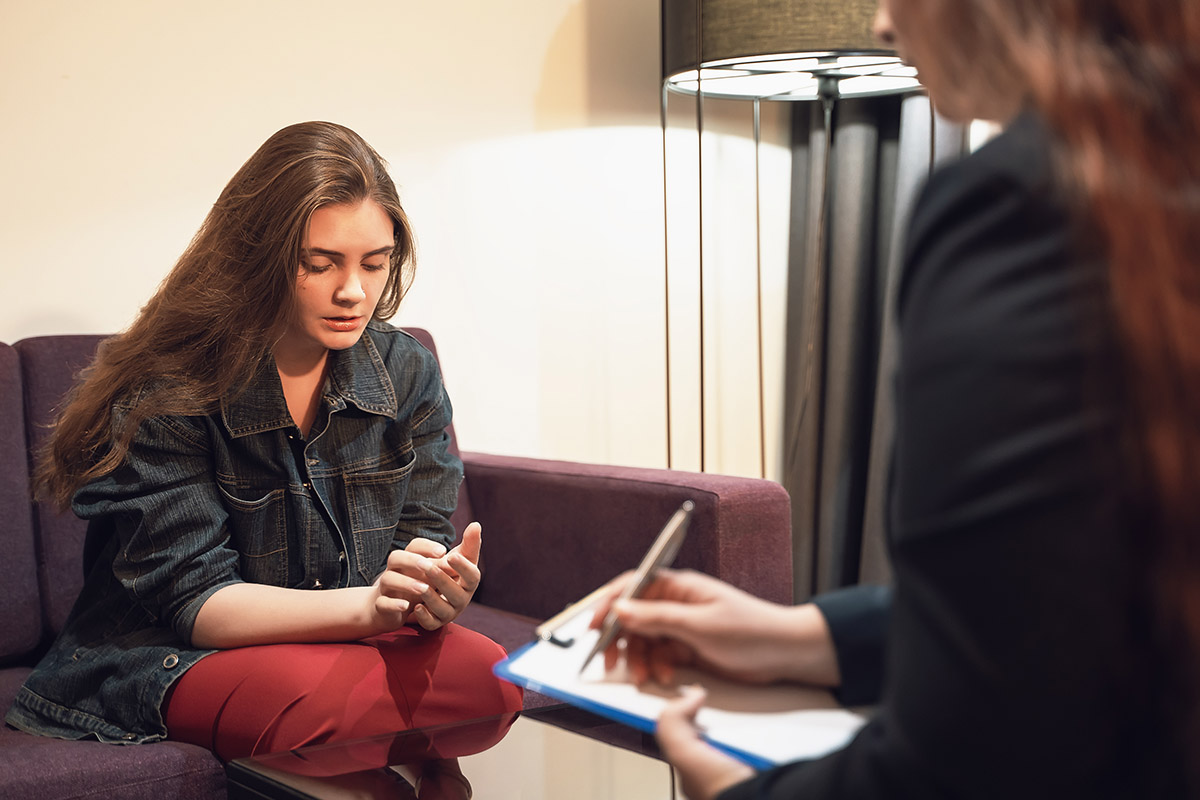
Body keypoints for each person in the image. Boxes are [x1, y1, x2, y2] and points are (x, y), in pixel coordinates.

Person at [593, 1, 1200, 797]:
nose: (880, 24)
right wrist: (802, 636)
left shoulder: (1021, 205)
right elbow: (1086, 596)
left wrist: (737, 792)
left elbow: (976, 749)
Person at [5, 121, 522, 760]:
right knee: (328, 708)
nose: (353, 292)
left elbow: (415, 544)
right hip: (175, 652)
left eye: (374, 263)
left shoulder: (405, 370)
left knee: (492, 679)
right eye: (320, 263)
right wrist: (371, 609)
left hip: (353, 637)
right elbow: (199, 604)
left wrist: (430, 592)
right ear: (260, 258)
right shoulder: (168, 390)